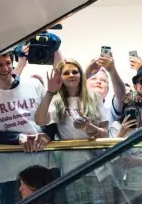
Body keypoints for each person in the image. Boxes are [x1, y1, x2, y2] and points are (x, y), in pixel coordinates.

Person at [0, 51, 56, 204]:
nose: (5, 68)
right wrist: (17, 138)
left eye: (8, 63)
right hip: (6, 170)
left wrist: (47, 135)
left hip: (41, 162)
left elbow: (51, 117)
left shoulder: (33, 85)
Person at [34, 58, 116, 204]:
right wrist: (50, 91)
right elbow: (39, 120)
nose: (71, 75)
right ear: (60, 77)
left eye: (75, 71)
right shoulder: (56, 101)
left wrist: (89, 127)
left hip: (99, 167)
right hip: (73, 169)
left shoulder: (94, 97)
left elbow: (104, 134)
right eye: (66, 73)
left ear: (80, 74)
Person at [110, 91, 142, 202]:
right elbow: (109, 156)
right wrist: (121, 133)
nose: (134, 114)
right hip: (121, 183)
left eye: (138, 109)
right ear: (124, 111)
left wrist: (141, 161)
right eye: (130, 110)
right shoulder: (116, 127)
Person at [85, 53, 126, 127]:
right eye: (93, 79)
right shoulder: (75, 104)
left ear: (107, 90)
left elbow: (122, 96)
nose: (98, 82)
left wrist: (112, 70)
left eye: (103, 80)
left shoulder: (110, 111)